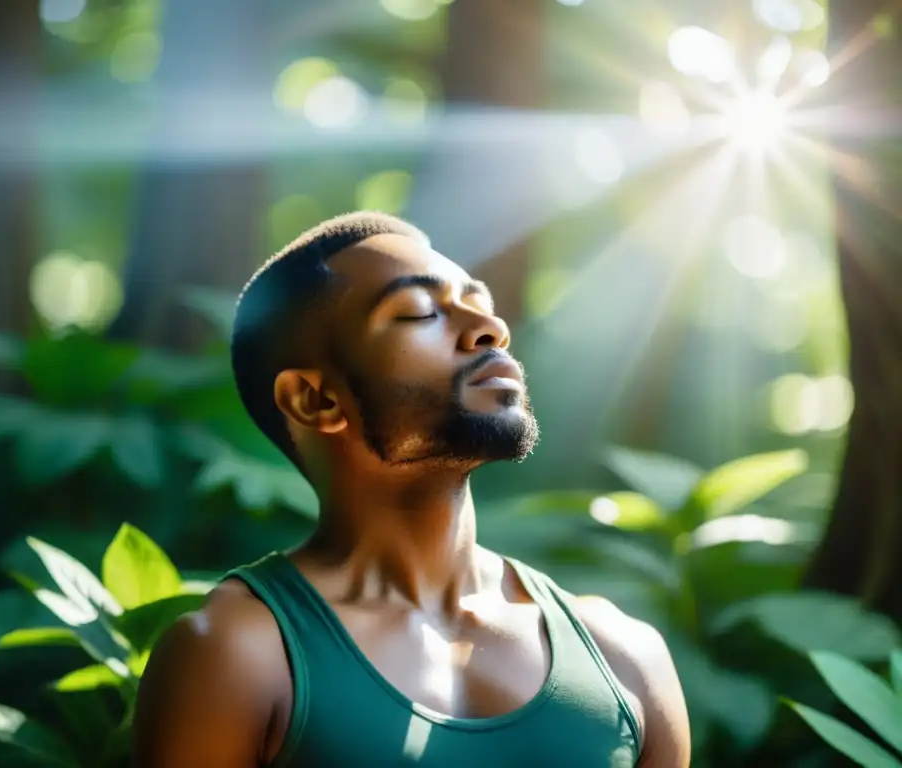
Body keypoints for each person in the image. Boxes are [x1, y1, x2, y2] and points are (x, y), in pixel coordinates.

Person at [132, 211, 691, 767]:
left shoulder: (624, 656)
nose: (488, 329)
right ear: (316, 400)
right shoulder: (238, 655)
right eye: (421, 312)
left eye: (482, 305)